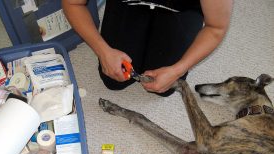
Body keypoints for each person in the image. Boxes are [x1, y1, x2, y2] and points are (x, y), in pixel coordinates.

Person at [62, 0, 233, 96]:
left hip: (182, 8)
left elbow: (216, 27)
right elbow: (73, 3)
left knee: (164, 87)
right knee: (114, 79)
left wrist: (177, 70)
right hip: (129, 3)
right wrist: (103, 51)